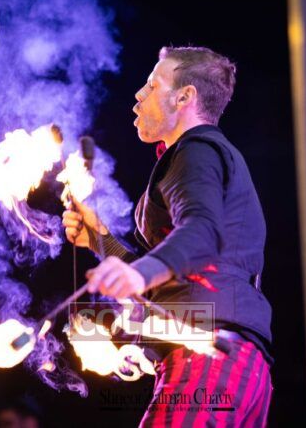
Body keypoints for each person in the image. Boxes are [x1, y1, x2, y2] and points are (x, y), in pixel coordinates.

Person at [62, 46, 273, 427]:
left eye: (152, 85)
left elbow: (202, 231)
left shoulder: (197, 151)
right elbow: (177, 274)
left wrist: (139, 273)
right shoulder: (203, 155)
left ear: (184, 97)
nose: (138, 95)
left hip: (210, 354)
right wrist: (100, 240)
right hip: (231, 358)